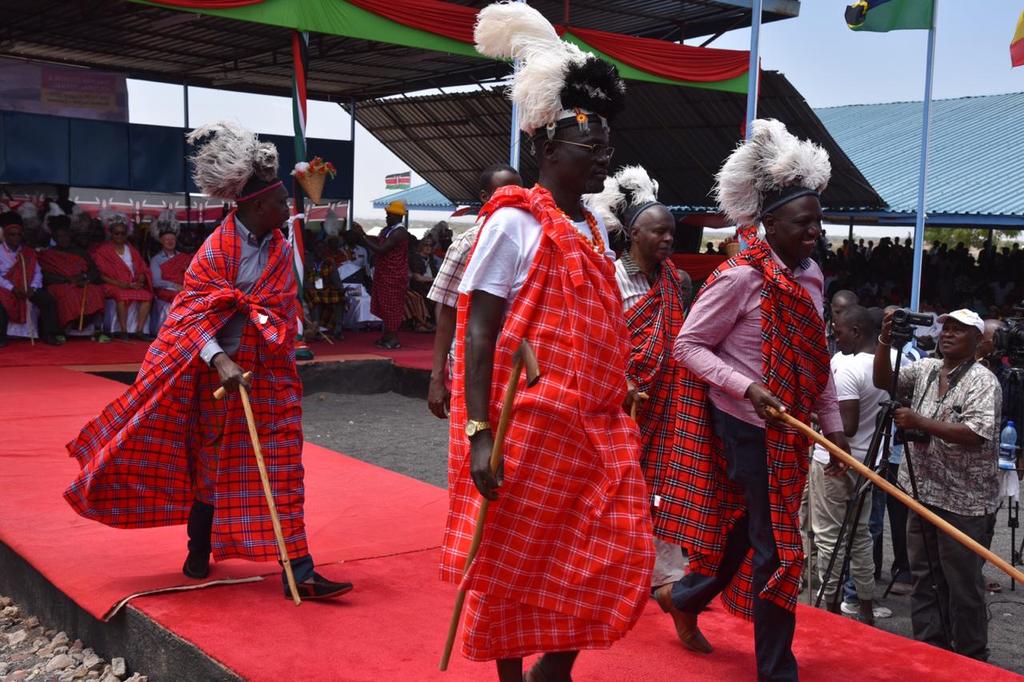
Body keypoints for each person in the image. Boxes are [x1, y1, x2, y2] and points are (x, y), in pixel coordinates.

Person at [441, 5, 654, 680]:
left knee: (616, 547)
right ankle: (519, 677)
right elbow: (479, 329)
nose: (603, 160)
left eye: (607, 151)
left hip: (593, 423)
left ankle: (554, 666)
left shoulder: (592, 226)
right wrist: (478, 433)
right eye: (590, 150)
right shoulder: (512, 225)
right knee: (512, 560)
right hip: (521, 423)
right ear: (547, 151)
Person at [65, 121, 352, 601]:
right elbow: (189, 317)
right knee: (213, 468)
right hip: (217, 378)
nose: (289, 209)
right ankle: (199, 547)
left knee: (284, 467)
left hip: (270, 375)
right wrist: (221, 361)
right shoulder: (215, 252)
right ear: (258, 206)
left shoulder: (280, 248)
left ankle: (297, 570)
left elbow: (279, 307)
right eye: (283, 203)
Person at [663, 119, 850, 680]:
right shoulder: (738, 276)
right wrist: (747, 386)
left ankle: (688, 596)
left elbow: (815, 358)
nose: (815, 233)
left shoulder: (813, 278)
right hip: (745, 425)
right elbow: (688, 346)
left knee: (752, 531)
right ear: (769, 222)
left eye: (819, 222)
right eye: (804, 223)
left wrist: (833, 425)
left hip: (794, 425)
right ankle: (777, 670)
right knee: (780, 547)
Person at [873, 307, 1001, 661]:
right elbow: (885, 380)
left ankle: (971, 657)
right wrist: (886, 339)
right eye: (946, 328)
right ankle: (930, 650)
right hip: (922, 492)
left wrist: (920, 421)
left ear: (977, 341)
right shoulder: (927, 369)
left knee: (962, 586)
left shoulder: (982, 380)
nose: (947, 334)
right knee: (924, 579)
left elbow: (977, 433)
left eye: (959, 330)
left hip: (965, 502)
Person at [590, 165, 688, 591]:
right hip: (618, 404)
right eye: (657, 232)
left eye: (671, 232)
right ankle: (606, 566)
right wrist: (619, 380)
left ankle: (662, 572)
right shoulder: (607, 277)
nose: (667, 239)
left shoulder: (677, 281)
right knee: (614, 484)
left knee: (662, 484)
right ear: (633, 235)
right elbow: (594, 340)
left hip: (665, 403)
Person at [808, 305, 888, 625]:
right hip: (868, 462)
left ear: (856, 332)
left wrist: (806, 412)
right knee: (860, 539)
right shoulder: (884, 366)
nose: (834, 337)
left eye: (838, 331)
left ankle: (829, 610)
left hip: (835, 461)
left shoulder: (847, 367)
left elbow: (846, 425)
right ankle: (865, 609)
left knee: (829, 538)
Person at [426, 163, 522, 418]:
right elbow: (446, 310)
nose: (512, 200)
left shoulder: (532, 238)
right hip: (473, 359)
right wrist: (437, 377)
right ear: (484, 197)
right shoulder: (467, 244)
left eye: (518, 193)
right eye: (503, 193)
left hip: (516, 359)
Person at [38, 218, 107, 341]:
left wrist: (85, 277)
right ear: (54, 238)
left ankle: (97, 330)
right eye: (60, 236)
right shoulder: (48, 254)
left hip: (82, 283)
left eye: (66, 236)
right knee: (69, 294)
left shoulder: (80, 252)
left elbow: (94, 271)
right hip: (60, 284)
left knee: (95, 291)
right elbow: (45, 275)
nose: (64, 239)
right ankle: (65, 329)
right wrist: (67, 280)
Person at [0, 216, 63, 347]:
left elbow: (37, 272)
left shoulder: (28, 252)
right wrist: (12, 288)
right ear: (5, 236)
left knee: (48, 300)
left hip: (27, 287)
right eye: (12, 235)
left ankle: (49, 334)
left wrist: (32, 287)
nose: (16, 238)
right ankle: (2, 337)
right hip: (6, 288)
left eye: (18, 235)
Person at [92, 214, 153, 340]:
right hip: (112, 284)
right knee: (121, 295)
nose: (120, 236)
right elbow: (101, 274)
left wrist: (141, 278)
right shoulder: (102, 251)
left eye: (123, 233)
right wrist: (121, 284)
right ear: (111, 234)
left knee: (147, 296)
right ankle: (123, 331)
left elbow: (142, 267)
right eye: (116, 233)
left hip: (132, 284)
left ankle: (140, 331)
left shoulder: (131, 249)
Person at [359, 200, 408, 349]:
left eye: (389, 215)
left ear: (396, 216)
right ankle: (386, 335)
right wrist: (366, 236)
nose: (386, 217)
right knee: (384, 304)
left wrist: (362, 237)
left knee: (392, 306)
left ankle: (393, 338)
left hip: (394, 275)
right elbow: (378, 241)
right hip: (384, 273)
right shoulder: (389, 229)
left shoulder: (399, 232)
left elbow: (381, 249)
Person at [149, 210, 192, 331]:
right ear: (161, 241)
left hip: (184, 288)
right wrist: (174, 285)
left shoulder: (184, 257)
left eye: (172, 239)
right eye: (167, 239)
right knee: (180, 297)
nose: (170, 242)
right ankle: (172, 329)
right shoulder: (156, 260)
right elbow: (156, 282)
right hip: (165, 291)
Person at [303, 239, 346, 340]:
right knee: (315, 296)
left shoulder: (329, 261)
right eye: (318, 249)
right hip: (310, 288)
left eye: (322, 249)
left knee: (339, 296)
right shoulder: (306, 261)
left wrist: (341, 289)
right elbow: (303, 280)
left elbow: (335, 279)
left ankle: (338, 329)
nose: (320, 251)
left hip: (325, 288)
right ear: (313, 249)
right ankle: (315, 329)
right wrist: (309, 286)